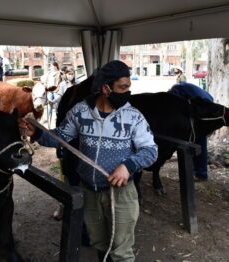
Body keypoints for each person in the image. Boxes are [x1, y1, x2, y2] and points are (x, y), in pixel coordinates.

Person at [19, 60, 158, 262]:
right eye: (123, 87)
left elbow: (150, 150)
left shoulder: (133, 116)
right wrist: (38, 134)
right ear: (105, 88)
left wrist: (128, 166)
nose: (127, 92)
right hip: (89, 191)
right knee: (100, 244)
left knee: (121, 252)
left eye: (128, 87)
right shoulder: (80, 111)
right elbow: (61, 137)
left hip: (120, 194)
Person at [168, 82, 214, 181]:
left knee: (196, 144)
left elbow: (175, 107)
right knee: (201, 144)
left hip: (202, 111)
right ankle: (200, 173)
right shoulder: (184, 86)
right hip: (209, 106)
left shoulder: (176, 90)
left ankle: (199, 173)